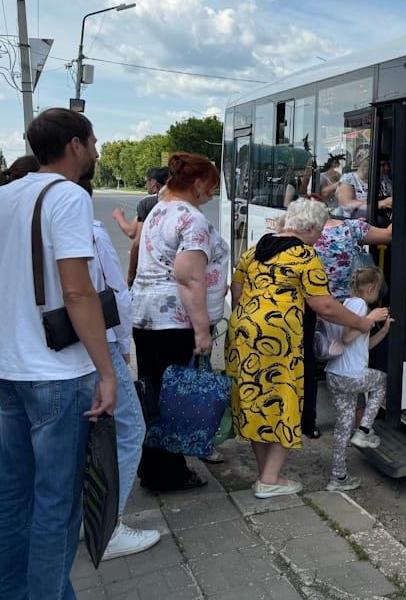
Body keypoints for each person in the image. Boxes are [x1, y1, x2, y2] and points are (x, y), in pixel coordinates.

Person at [0, 108, 117, 599]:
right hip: (59, 373)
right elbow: (77, 292)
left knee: (9, 495)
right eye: (93, 141)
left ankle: (4, 592)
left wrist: (15, 322)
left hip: (9, 369)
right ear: (75, 144)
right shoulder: (68, 196)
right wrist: (106, 372)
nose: (96, 149)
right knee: (56, 503)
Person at [225, 198, 388, 498]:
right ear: (310, 228)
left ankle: (265, 474)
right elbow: (324, 306)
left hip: (243, 334)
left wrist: (248, 317)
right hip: (279, 339)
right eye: (320, 230)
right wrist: (362, 322)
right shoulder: (304, 255)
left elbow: (236, 288)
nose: (320, 235)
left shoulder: (257, 249)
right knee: (285, 400)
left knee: (257, 400)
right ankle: (270, 479)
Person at [131, 152, 230, 492]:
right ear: (198, 183)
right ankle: (168, 472)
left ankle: (153, 466)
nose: (212, 194)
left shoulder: (159, 209)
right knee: (173, 398)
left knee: (156, 393)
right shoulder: (192, 218)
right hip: (174, 321)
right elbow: (189, 277)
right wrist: (202, 331)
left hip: (146, 316)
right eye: (211, 187)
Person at [80, 175, 162, 560]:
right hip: (101, 342)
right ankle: (108, 527)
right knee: (130, 430)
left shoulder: (8, 215)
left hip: (54, 348)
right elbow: (116, 294)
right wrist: (123, 343)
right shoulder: (91, 232)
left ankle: (79, 521)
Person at [303, 198, 392, 438]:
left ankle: (308, 423)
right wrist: (400, 207)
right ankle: (360, 423)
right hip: (347, 307)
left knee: (311, 364)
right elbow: (388, 235)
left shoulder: (304, 236)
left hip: (317, 306)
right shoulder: (352, 228)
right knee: (353, 359)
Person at [324, 265, 392, 492]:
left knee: (343, 426)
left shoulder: (347, 304)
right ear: (370, 288)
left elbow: (362, 346)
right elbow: (347, 337)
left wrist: (383, 331)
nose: (378, 294)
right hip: (350, 376)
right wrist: (371, 317)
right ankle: (364, 431)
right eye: (378, 289)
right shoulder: (361, 305)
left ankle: (338, 477)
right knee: (382, 380)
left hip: (335, 375)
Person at [113, 165, 169, 238]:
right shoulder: (177, 200)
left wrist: (118, 216)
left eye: (145, 182)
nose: (145, 186)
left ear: (153, 182)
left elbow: (132, 232)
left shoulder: (146, 202)